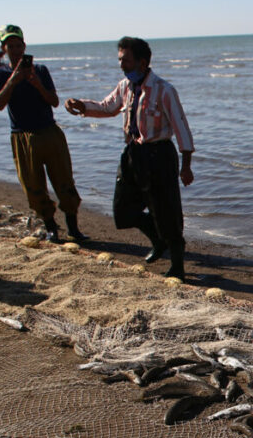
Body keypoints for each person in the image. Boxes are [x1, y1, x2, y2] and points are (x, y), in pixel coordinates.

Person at [64, 37, 194, 280]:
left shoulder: (164, 90)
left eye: (126, 60)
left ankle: (177, 266)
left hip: (159, 155)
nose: (122, 65)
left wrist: (186, 167)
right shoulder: (125, 86)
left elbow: (182, 129)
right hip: (133, 154)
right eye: (120, 60)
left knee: (166, 212)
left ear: (142, 62)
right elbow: (108, 107)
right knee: (122, 211)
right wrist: (82, 105)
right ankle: (158, 239)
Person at [0, 25, 86, 243]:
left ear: (24, 46)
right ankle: (51, 227)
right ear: (3, 49)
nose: (15, 50)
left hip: (49, 132)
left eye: (18, 45)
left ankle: (73, 228)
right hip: (22, 136)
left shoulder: (40, 70)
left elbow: (54, 101)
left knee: (65, 181)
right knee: (33, 187)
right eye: (10, 46)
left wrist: (36, 84)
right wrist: (13, 80)